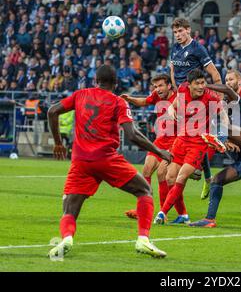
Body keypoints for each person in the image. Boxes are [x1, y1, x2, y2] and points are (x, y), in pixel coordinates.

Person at [47, 65, 171, 259]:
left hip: (80, 161)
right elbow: (132, 135)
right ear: (115, 84)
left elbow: (52, 111)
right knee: (144, 190)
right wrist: (159, 151)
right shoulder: (117, 102)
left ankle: (67, 238)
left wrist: (58, 144)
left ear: (95, 81)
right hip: (106, 159)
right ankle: (143, 239)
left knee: (69, 207)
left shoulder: (80, 94)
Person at [189, 81, 241, 227]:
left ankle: (219, 140)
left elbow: (227, 89)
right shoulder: (219, 119)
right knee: (217, 180)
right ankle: (209, 220)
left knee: (222, 128)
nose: (223, 102)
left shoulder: (240, 106)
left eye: (225, 100)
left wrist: (205, 85)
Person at [153, 69, 227, 224]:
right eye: (198, 83)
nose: (201, 86)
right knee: (169, 177)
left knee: (181, 176)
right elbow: (173, 105)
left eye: (203, 82)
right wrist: (172, 109)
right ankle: (184, 215)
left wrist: (222, 136)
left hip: (198, 144)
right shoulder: (182, 89)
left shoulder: (211, 97)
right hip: (181, 140)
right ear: (190, 84)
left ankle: (162, 213)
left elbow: (224, 116)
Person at [121, 74, 189, 224]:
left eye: (160, 86)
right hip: (161, 139)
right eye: (155, 86)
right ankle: (144, 209)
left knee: (162, 174)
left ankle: (163, 212)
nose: (157, 89)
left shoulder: (179, 98)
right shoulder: (157, 96)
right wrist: (130, 99)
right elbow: (144, 101)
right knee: (146, 170)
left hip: (176, 141)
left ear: (169, 86)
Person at [169, 18, 223, 195]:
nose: (177, 35)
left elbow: (214, 73)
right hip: (182, 96)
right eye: (175, 32)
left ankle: (197, 169)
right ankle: (205, 176)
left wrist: (220, 98)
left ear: (188, 30)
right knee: (188, 137)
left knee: (197, 137)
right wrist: (176, 92)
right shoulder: (175, 48)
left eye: (180, 32)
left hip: (197, 100)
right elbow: (173, 71)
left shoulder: (198, 49)